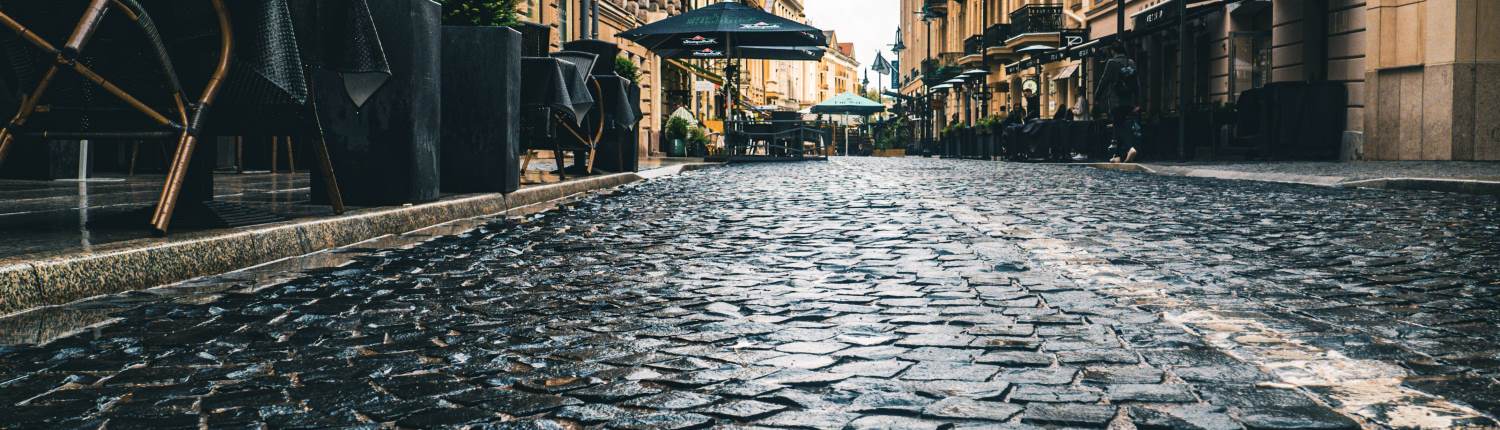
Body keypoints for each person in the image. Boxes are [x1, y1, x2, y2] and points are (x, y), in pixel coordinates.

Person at [1095, 46, 1141, 163]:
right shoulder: (1131, 62)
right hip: (1129, 101)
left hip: (1116, 101)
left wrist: (1097, 97)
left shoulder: (1112, 62)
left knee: (1118, 126)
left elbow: (1103, 81)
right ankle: (1118, 156)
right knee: (1121, 124)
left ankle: (1130, 148)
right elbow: (1137, 83)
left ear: (1113, 51)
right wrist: (1138, 102)